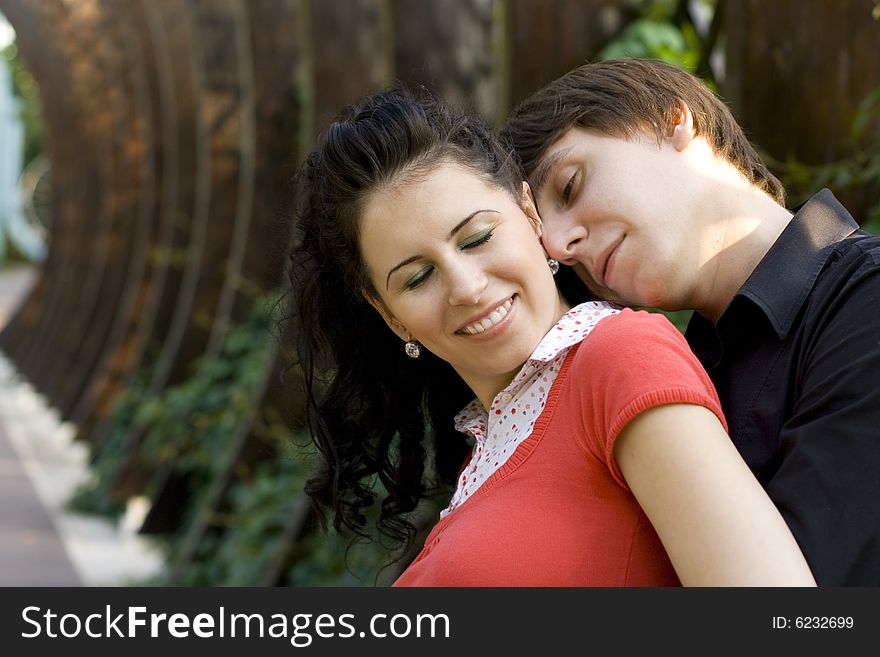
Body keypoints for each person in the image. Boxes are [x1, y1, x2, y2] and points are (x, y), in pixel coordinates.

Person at [287, 85, 815, 586]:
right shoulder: (485, 451)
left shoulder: (616, 357)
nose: (467, 287)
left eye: (477, 237)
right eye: (418, 277)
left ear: (530, 214)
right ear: (391, 315)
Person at [502, 57, 880, 585]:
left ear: (673, 121)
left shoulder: (865, 303)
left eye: (569, 186)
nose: (563, 246)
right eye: (551, 247)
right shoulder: (669, 381)